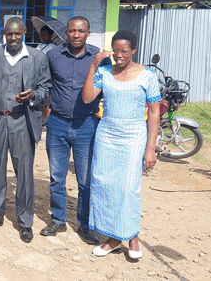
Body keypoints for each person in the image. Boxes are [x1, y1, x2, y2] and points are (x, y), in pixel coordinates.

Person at [82, 30, 160, 260]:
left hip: (134, 136)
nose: (119, 55)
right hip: (106, 134)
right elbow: (87, 98)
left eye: (124, 51)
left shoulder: (147, 76)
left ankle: (131, 236)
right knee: (104, 185)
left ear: (133, 50)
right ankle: (114, 239)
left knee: (128, 189)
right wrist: (93, 66)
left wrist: (150, 148)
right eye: (115, 50)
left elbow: (154, 112)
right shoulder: (104, 72)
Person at [0, 17, 51, 243]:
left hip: (22, 122)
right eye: (9, 34)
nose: (13, 38)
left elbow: (46, 87)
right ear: (3, 34)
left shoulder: (37, 57)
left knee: (24, 174)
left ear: (24, 32)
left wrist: (34, 94)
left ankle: (25, 222)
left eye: (17, 34)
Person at [40, 17, 109, 245]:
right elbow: (45, 85)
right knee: (56, 176)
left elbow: (110, 86)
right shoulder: (53, 56)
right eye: (72, 31)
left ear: (88, 33)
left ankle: (85, 224)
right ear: (66, 33)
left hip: (87, 124)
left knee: (86, 180)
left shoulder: (99, 58)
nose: (76, 35)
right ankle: (58, 219)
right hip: (57, 123)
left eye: (81, 31)